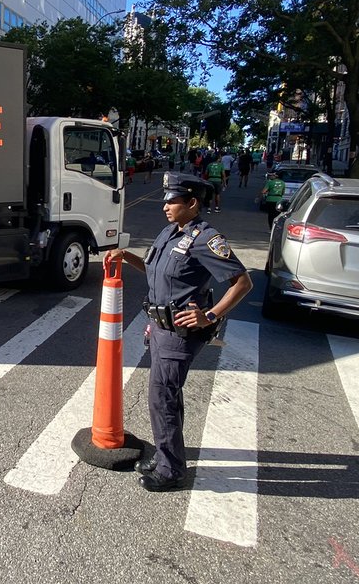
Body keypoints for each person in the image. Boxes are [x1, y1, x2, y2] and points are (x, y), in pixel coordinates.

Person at [105, 175, 253, 492]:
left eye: (172, 201)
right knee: (168, 395)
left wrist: (210, 315)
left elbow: (242, 282)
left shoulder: (206, 239)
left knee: (162, 398)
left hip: (180, 333)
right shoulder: (170, 232)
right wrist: (126, 257)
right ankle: (166, 456)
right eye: (166, 200)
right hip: (160, 327)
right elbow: (157, 272)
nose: (165, 206)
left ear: (192, 204)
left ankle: (170, 471)